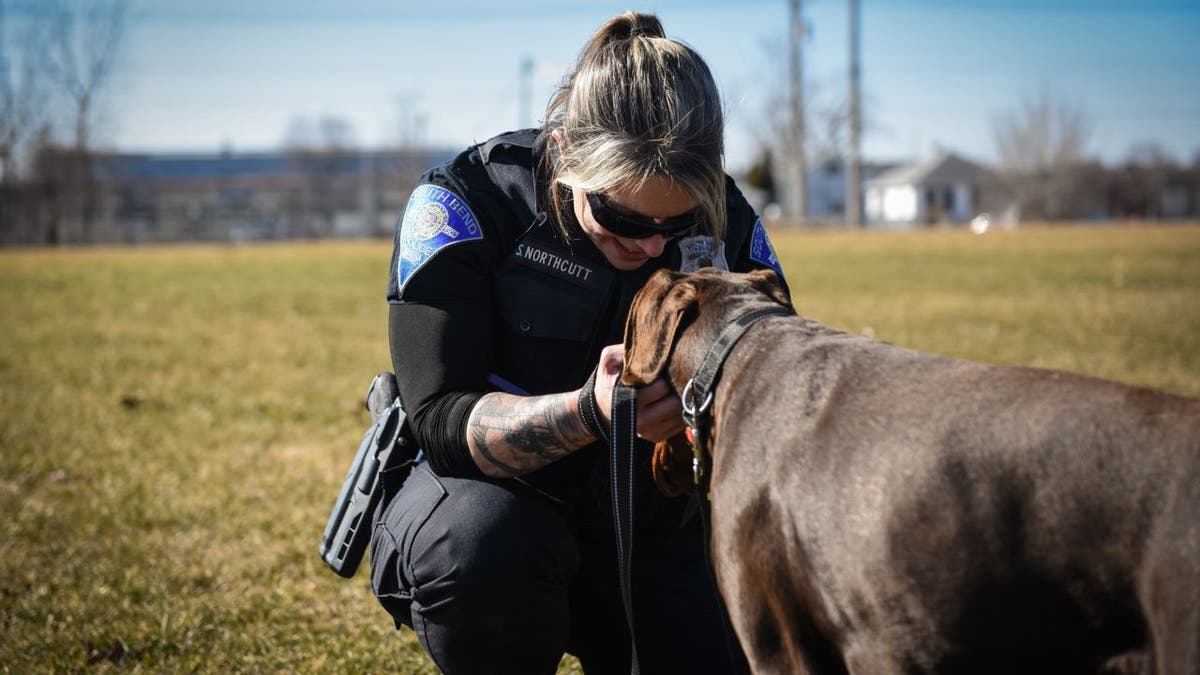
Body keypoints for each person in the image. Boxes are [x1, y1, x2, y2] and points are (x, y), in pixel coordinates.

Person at [370, 11, 789, 674]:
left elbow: (780, 380)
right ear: (565, 151)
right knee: (481, 548)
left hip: (653, 526)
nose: (651, 245)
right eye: (621, 216)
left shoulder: (727, 220)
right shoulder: (468, 204)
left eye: (675, 224)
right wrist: (591, 411)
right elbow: (440, 419)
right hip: (494, 515)